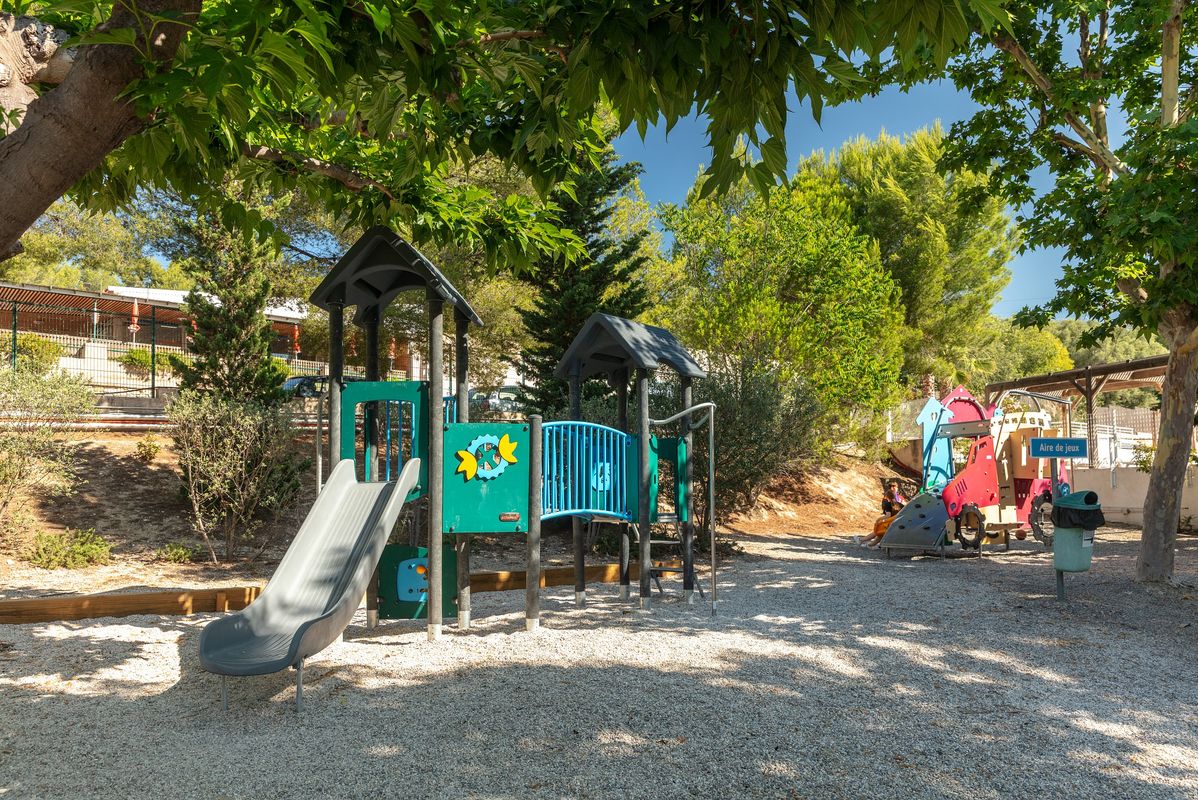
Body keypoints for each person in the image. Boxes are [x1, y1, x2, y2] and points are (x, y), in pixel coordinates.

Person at [859, 479, 906, 549]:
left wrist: (878, 520)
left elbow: (888, 515)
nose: (893, 488)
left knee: (879, 531)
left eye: (894, 486)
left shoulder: (888, 503)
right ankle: (868, 544)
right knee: (880, 534)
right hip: (898, 521)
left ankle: (863, 541)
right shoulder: (899, 502)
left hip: (891, 522)